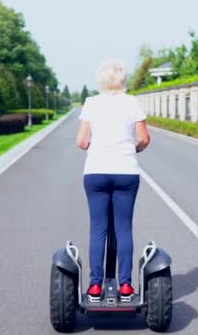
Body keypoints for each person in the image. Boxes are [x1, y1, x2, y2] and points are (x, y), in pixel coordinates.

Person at [75, 59, 150, 300]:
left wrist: (97, 148)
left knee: (98, 229)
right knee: (123, 228)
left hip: (96, 171)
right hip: (126, 171)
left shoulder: (91, 103)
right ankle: (126, 286)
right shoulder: (132, 102)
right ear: (122, 79)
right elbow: (144, 138)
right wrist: (131, 149)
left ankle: (95, 286)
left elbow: (81, 141)